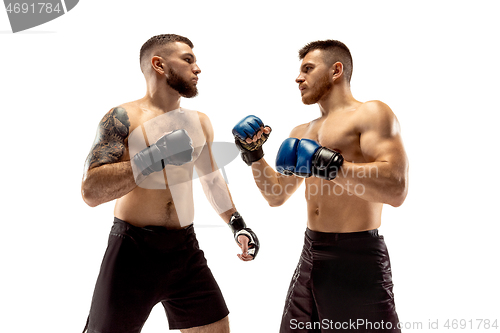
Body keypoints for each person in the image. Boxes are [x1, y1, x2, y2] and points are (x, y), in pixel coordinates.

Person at [81, 34, 259, 333]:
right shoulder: (123, 116)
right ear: (159, 65)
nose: (197, 68)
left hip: (184, 249)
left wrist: (237, 224)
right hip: (133, 250)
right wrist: (154, 156)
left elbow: (212, 179)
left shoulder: (199, 121)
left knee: (216, 328)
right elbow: (91, 191)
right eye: (188, 60)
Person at [232, 40, 409, 332]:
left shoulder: (372, 113)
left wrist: (326, 164)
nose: (298, 78)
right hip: (310, 254)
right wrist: (254, 155)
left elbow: (396, 188)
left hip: (357, 257)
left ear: (336, 70)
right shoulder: (302, 132)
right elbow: (275, 195)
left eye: (308, 69)